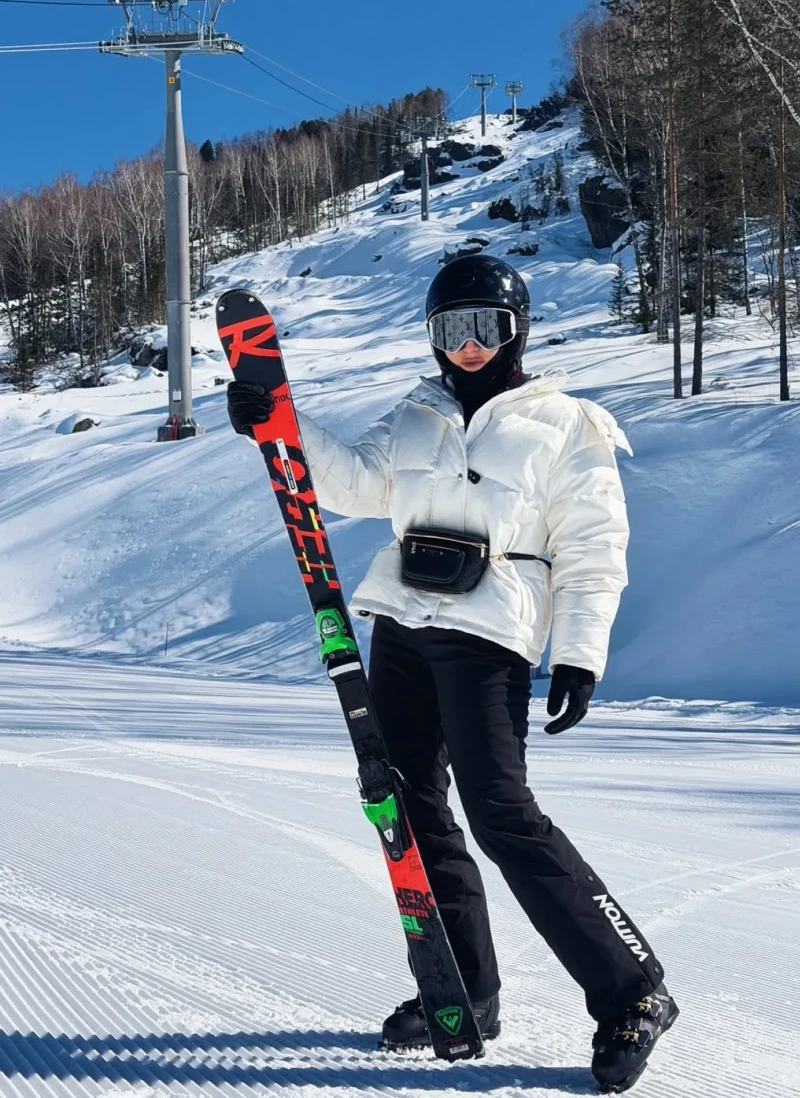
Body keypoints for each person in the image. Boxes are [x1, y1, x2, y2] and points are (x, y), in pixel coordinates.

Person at [227, 255, 678, 1093]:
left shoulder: (567, 423)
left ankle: (632, 992)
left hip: (490, 634)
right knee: (409, 805)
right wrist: (278, 424)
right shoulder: (416, 414)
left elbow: (593, 545)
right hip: (404, 626)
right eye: (452, 329)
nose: (469, 346)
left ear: (518, 331)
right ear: (433, 337)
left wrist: (579, 651)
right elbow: (353, 483)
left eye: (486, 328)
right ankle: (465, 989)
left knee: (502, 814)